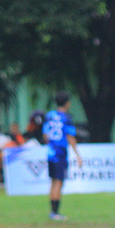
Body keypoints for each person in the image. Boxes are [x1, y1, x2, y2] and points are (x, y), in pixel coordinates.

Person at [43, 91, 83, 221]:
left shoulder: (49, 116)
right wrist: (78, 155)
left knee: (53, 181)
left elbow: (45, 135)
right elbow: (70, 137)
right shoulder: (66, 117)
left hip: (50, 153)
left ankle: (52, 211)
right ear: (67, 103)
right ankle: (55, 213)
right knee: (59, 182)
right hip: (60, 153)